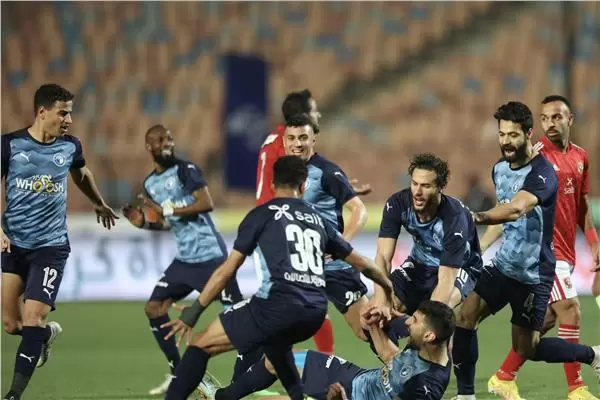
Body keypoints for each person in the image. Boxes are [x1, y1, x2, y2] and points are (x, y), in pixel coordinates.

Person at [160, 155, 395, 400]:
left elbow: (226, 270)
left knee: (200, 344)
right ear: (303, 187)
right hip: (314, 312)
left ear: (272, 184)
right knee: (277, 354)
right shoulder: (318, 220)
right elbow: (363, 263)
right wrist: (387, 289)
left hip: (277, 306)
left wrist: (195, 311)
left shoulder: (261, 215)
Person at [450, 101, 600, 400]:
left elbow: (516, 209)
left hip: (534, 274)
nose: (506, 141)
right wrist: (479, 248)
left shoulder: (543, 173)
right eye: (502, 134)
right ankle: (466, 395)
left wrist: (474, 217)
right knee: (465, 317)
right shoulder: (500, 169)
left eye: (513, 135)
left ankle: (592, 355)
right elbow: (503, 214)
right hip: (504, 265)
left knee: (528, 347)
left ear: (528, 134)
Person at [1, 83, 118, 400]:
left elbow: (81, 174)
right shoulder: (9, 145)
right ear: (42, 111)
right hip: (15, 245)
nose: (69, 120)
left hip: (50, 247)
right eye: (63, 113)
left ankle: (13, 395)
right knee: (11, 324)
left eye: (70, 113)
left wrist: (98, 202)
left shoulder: (70, 147)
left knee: (32, 317)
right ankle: (45, 335)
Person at [121, 125, 244, 396]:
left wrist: (166, 209)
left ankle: (256, 371)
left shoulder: (186, 170)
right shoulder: (149, 184)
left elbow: (206, 203)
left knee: (239, 318)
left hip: (211, 257)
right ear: (149, 146)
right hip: (185, 261)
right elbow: (171, 223)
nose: (167, 143)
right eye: (160, 140)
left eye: (169, 138)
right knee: (154, 308)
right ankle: (180, 372)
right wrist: (145, 224)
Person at [254, 88, 371, 358]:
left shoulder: (278, 142)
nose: (318, 115)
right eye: (314, 110)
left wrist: (338, 188)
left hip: (289, 235)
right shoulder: (281, 146)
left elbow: (309, 184)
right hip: (278, 234)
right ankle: (283, 365)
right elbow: (283, 191)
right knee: (281, 314)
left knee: (301, 309)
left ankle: (314, 363)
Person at [213, 300, 454, 400]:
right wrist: (373, 328)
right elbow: (393, 357)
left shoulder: (425, 386)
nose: (408, 322)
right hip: (355, 378)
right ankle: (222, 396)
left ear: (429, 335)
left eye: (415, 321)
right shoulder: (425, 346)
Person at [370, 153, 482, 348]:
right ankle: (396, 364)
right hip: (420, 265)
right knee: (374, 318)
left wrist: (423, 322)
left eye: (426, 186)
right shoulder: (397, 204)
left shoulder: (454, 218)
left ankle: (439, 360)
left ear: (440, 188)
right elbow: (382, 257)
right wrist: (382, 300)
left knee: (434, 322)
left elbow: (446, 279)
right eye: (414, 184)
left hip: (459, 268)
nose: (417, 192)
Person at [282, 114, 371, 340]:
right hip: (301, 267)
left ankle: (421, 343)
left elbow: (359, 211)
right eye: (291, 138)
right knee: (274, 327)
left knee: (367, 330)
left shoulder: (327, 171)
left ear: (313, 139)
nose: (297, 144)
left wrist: (341, 246)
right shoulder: (286, 173)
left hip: (333, 268)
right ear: (284, 141)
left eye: (303, 137)